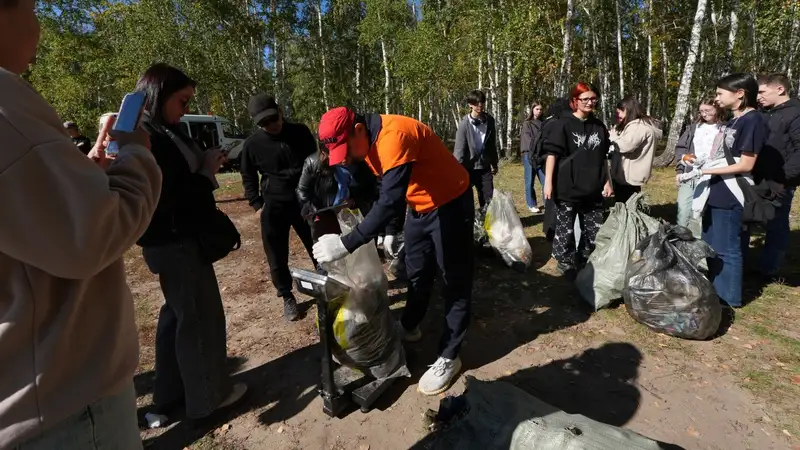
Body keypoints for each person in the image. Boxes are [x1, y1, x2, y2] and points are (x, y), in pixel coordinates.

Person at [0, 1, 161, 448]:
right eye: (31, 10)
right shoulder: (4, 105)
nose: (38, 30)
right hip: (64, 401)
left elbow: (35, 218)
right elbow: (92, 236)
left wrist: (84, 175)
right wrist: (137, 154)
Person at [312, 108, 473, 396]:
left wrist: (347, 243)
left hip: (450, 202)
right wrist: (389, 230)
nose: (346, 158)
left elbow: (389, 200)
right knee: (416, 268)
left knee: (454, 279)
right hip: (421, 207)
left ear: (359, 129)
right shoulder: (369, 143)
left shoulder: (393, 136)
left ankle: (450, 356)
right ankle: (410, 325)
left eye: (345, 149)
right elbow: (390, 187)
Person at [136, 63, 247, 424]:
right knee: (200, 320)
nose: (185, 109)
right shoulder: (149, 137)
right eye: (182, 101)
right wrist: (206, 174)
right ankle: (208, 399)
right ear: (159, 94)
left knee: (177, 318)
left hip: (171, 241)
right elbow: (170, 198)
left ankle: (169, 396)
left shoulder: (161, 131)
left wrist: (204, 163)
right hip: (176, 240)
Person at [679, 73, 768, 308]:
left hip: (732, 192)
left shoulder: (753, 121)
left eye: (720, 93)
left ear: (740, 94)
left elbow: (746, 164)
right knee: (711, 243)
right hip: (716, 190)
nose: (716, 98)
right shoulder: (734, 121)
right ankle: (714, 291)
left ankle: (728, 299)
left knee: (727, 247)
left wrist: (706, 172)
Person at [240, 93, 317, 321]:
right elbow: (247, 175)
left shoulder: (300, 132)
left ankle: (329, 284)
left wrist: (318, 194)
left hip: (304, 201)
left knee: (317, 244)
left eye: (273, 119)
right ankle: (287, 296)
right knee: (276, 253)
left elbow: (314, 162)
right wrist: (257, 204)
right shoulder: (252, 144)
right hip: (274, 205)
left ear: (280, 111)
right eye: (264, 123)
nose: (271, 125)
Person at [542, 82, 614, 278]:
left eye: (593, 99)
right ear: (575, 101)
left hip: (593, 187)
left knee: (593, 231)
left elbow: (603, 156)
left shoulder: (598, 126)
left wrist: (607, 181)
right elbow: (552, 155)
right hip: (568, 187)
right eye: (585, 99)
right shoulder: (562, 124)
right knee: (565, 229)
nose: (590, 103)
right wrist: (548, 183)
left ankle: (586, 260)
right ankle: (566, 263)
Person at [754, 73, 800, 278]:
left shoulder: (796, 113)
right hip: (758, 178)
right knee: (752, 218)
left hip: (780, 182)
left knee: (776, 224)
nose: (758, 97)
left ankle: (769, 269)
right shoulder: (767, 113)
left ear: (780, 89)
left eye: (762, 92)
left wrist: (783, 179)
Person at [296, 145, 378, 240]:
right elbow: (301, 190)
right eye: (339, 156)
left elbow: (372, 189)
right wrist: (314, 209)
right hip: (325, 217)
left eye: (346, 154)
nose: (344, 160)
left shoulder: (360, 161)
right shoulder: (313, 162)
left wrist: (354, 201)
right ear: (325, 154)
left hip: (355, 214)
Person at [675, 99, 725, 236]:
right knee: (682, 209)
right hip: (689, 174)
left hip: (710, 176)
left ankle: (696, 245)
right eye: (701, 111)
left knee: (698, 213)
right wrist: (680, 167)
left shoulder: (724, 129)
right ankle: (680, 240)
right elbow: (681, 148)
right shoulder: (693, 128)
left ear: (717, 109)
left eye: (707, 110)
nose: (704, 114)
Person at [609, 96, 662, 202]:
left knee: (626, 209)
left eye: (621, 110)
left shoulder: (638, 127)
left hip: (628, 177)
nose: (618, 113)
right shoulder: (637, 125)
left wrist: (612, 136)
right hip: (629, 176)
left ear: (629, 110)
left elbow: (625, 146)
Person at [454, 90, 499, 208]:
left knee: (488, 198)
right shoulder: (464, 125)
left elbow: (491, 144)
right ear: (470, 105)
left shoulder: (489, 121)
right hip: (468, 168)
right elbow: (459, 150)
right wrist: (457, 171)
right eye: (477, 103)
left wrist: (494, 163)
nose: (480, 105)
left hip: (485, 166)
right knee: (465, 200)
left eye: (482, 102)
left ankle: (487, 223)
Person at [520, 101, 545, 213]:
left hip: (541, 155)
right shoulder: (527, 123)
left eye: (540, 109)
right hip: (529, 154)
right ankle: (531, 204)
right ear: (532, 110)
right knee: (529, 180)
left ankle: (548, 203)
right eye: (537, 109)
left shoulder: (544, 123)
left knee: (545, 180)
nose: (539, 111)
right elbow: (528, 141)